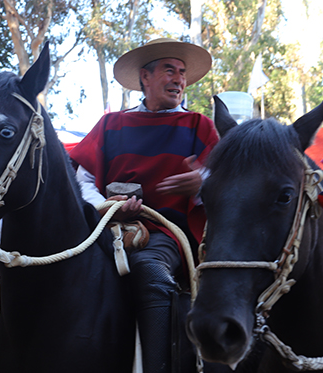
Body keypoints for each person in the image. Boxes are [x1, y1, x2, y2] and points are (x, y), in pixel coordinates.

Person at [69, 38, 217, 373]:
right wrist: (107, 206)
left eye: (181, 73)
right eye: (169, 70)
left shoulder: (200, 126)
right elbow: (82, 183)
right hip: (103, 231)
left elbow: (229, 188)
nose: (179, 79)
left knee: (149, 271)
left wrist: (202, 184)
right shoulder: (110, 124)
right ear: (145, 78)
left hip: (168, 235)